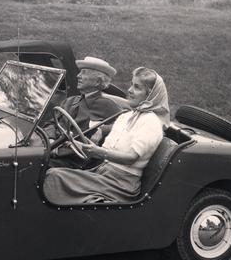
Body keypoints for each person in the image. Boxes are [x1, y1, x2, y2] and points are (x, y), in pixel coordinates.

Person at [43, 66, 170, 204]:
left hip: (121, 184)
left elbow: (131, 158)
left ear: (150, 95)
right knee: (51, 173)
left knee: (53, 176)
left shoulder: (151, 122)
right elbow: (108, 145)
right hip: (102, 172)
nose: (129, 90)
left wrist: (98, 152)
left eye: (137, 87)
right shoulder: (127, 116)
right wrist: (84, 145)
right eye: (131, 85)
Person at [44, 56, 121, 167]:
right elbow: (51, 123)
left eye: (84, 73)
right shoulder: (70, 100)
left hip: (75, 161)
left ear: (97, 81)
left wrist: (102, 130)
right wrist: (50, 139)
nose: (78, 76)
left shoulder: (107, 105)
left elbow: (125, 126)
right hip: (50, 151)